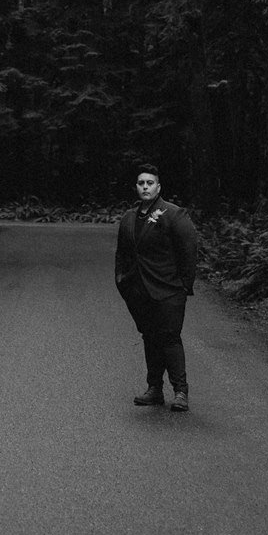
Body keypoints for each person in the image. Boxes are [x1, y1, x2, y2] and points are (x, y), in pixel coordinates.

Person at [114, 164, 199, 411]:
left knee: (170, 338)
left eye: (149, 183)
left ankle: (181, 391)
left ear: (158, 187)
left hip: (169, 290)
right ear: (136, 187)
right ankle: (154, 389)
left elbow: (189, 249)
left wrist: (184, 284)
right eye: (141, 183)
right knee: (150, 338)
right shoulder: (129, 218)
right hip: (139, 291)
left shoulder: (173, 214)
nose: (145, 187)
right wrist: (121, 280)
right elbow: (123, 253)